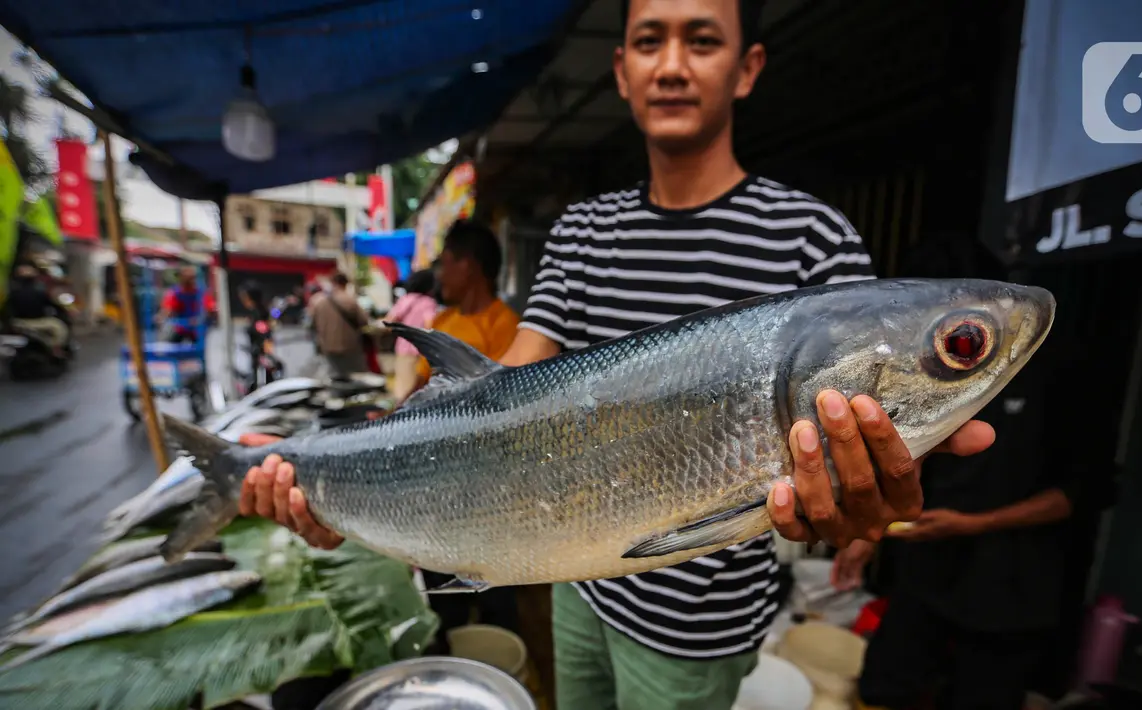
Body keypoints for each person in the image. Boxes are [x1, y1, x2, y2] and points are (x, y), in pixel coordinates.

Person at [238, 2, 995, 708]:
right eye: (647, 41)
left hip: (696, 629)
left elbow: (859, 463)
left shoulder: (812, 238)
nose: (671, 64)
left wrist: (870, 495)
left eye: (701, 40)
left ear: (748, 66)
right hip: (574, 577)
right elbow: (509, 393)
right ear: (622, 71)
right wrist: (347, 488)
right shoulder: (582, 231)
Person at [833, 331, 1080, 710]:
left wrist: (973, 524)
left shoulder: (1061, 380)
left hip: (1011, 586)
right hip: (927, 568)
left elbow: (1077, 495)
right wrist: (870, 531)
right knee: (882, 687)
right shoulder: (943, 374)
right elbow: (913, 456)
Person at [404, 221, 520, 399]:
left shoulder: (505, 324)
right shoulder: (441, 320)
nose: (440, 276)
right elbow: (421, 384)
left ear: (466, 266)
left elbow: (500, 395)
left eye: (444, 263)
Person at [384, 270, 439, 401]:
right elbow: (430, 325)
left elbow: (389, 321)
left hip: (402, 350)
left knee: (402, 392)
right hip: (419, 352)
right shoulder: (428, 303)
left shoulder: (405, 299)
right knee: (414, 395)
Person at [308, 272, 368, 379]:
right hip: (349, 347)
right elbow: (363, 321)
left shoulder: (319, 302)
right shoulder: (350, 301)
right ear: (345, 284)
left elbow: (312, 324)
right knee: (354, 378)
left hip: (327, 346)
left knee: (334, 377)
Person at [7, 264, 69, 355]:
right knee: (60, 328)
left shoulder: (13, 292)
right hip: (38, 322)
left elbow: (8, 309)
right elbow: (53, 305)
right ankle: (55, 349)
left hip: (18, 322)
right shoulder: (39, 291)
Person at [158, 266, 203, 344]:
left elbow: (203, 309)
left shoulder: (198, 293)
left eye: (190, 278)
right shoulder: (175, 293)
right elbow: (169, 310)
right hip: (178, 328)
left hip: (194, 328)